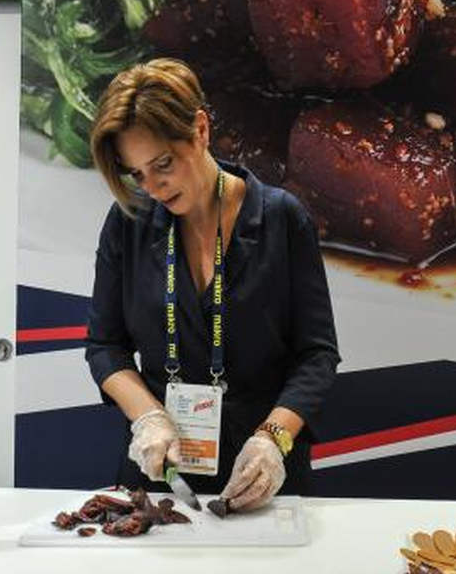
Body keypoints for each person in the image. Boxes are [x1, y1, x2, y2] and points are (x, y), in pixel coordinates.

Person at [84, 58, 339, 510]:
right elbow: (105, 347)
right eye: (137, 173)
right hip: (162, 472)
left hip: (262, 473)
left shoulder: (281, 218)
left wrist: (272, 440)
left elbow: (316, 355)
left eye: (162, 164)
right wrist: (147, 418)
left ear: (200, 129)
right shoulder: (130, 222)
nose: (154, 186)